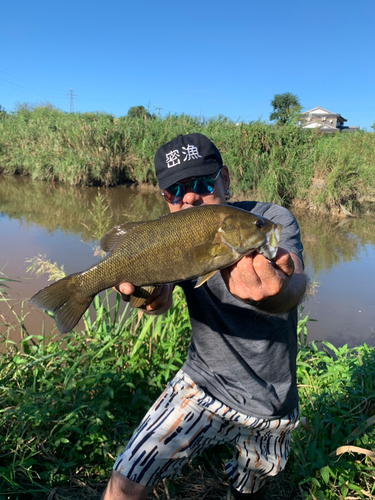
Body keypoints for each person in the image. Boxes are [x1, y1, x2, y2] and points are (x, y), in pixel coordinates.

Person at [102, 133, 306, 500]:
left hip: (271, 401)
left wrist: (277, 291)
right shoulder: (171, 236)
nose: (190, 197)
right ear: (165, 198)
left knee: (248, 488)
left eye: (201, 183)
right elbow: (158, 302)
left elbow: (294, 286)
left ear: (224, 179)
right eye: (174, 191)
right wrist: (148, 298)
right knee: (125, 482)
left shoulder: (268, 220)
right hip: (201, 384)